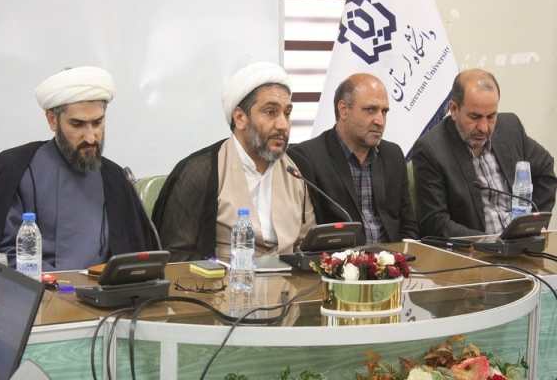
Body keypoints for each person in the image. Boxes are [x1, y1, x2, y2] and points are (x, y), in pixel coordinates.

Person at [0, 66, 158, 270]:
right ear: (52, 120)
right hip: (39, 287)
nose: (90, 137)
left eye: (97, 123)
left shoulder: (115, 178)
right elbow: (4, 257)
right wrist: (64, 284)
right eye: (77, 124)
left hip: (103, 289)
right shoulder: (18, 170)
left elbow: (134, 259)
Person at [152, 61, 315, 262]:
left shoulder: (297, 170)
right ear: (239, 118)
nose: (283, 125)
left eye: (287, 114)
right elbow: (175, 255)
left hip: (289, 280)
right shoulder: (202, 170)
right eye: (270, 112)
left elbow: (308, 245)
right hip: (226, 279)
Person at [412, 68, 557, 237]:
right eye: (475, 117)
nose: (484, 127)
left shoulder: (510, 127)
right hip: (476, 248)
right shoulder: (431, 149)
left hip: (521, 244)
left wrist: (531, 225)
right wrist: (486, 243)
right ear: (454, 109)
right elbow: (436, 222)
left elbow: (545, 169)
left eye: (491, 116)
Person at [288, 73, 419, 245]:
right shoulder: (308, 158)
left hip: (392, 257)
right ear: (344, 110)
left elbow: (408, 226)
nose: (380, 121)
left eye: (384, 111)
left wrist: (403, 256)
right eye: (370, 110)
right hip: (342, 259)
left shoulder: (392, 155)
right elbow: (309, 235)